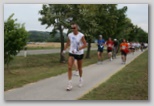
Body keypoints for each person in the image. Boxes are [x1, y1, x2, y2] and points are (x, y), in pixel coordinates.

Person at [62, 23, 87, 91]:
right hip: (72, 52)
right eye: (72, 28)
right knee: (69, 67)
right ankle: (69, 84)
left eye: (74, 28)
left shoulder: (81, 35)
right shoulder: (70, 35)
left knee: (79, 68)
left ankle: (81, 79)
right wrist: (64, 50)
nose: (73, 29)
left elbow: (85, 45)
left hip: (79, 53)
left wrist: (78, 49)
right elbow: (68, 43)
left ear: (77, 28)